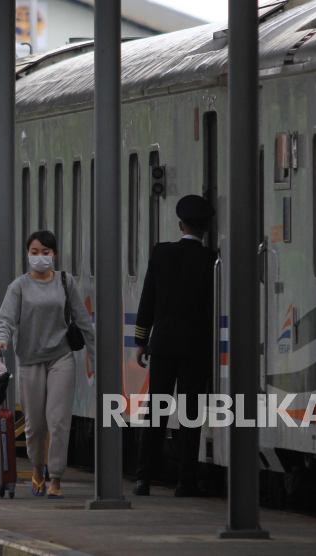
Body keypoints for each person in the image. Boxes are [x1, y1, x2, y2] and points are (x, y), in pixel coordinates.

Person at [0, 230, 95, 499]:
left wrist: (95, 359)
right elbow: (6, 319)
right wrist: (1, 341)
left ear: (54, 254)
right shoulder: (18, 286)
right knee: (35, 425)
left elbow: (83, 322)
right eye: (34, 252)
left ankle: (56, 478)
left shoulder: (65, 282)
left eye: (45, 252)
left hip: (61, 357)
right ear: (27, 254)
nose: (40, 257)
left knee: (59, 421)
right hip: (29, 361)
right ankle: (38, 469)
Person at [132, 195, 217, 498]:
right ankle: (186, 482)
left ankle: (143, 479)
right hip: (195, 348)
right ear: (206, 228)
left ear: (180, 225)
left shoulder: (161, 255)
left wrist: (141, 341)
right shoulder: (211, 261)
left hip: (164, 345)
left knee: (155, 410)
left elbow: (148, 300)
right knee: (190, 415)